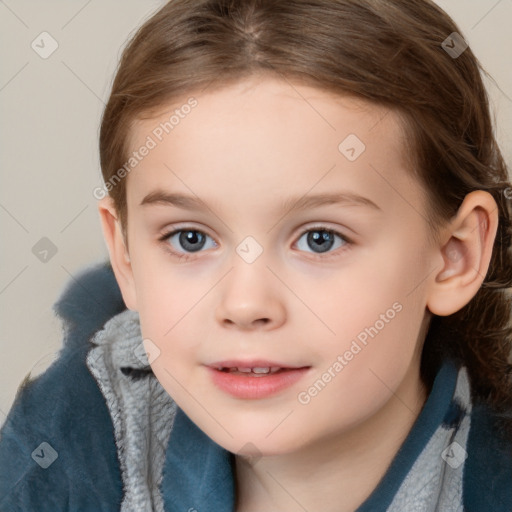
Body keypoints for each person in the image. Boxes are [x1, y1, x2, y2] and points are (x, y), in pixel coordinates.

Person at [1, 1, 511, 510]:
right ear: (127, 256)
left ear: (453, 256)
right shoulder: (65, 441)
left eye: (320, 239)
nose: (245, 305)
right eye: (190, 238)